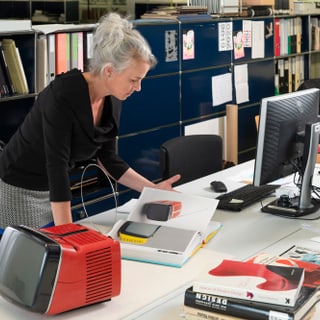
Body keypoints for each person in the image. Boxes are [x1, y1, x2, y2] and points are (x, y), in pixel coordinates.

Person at [0, 13, 180, 229]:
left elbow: (108, 158)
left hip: (54, 190)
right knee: (30, 256)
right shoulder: (63, 95)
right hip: (19, 187)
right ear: (109, 71)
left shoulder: (113, 97)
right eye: (134, 80)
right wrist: (67, 233)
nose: (138, 88)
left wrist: (153, 190)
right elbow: (56, 166)